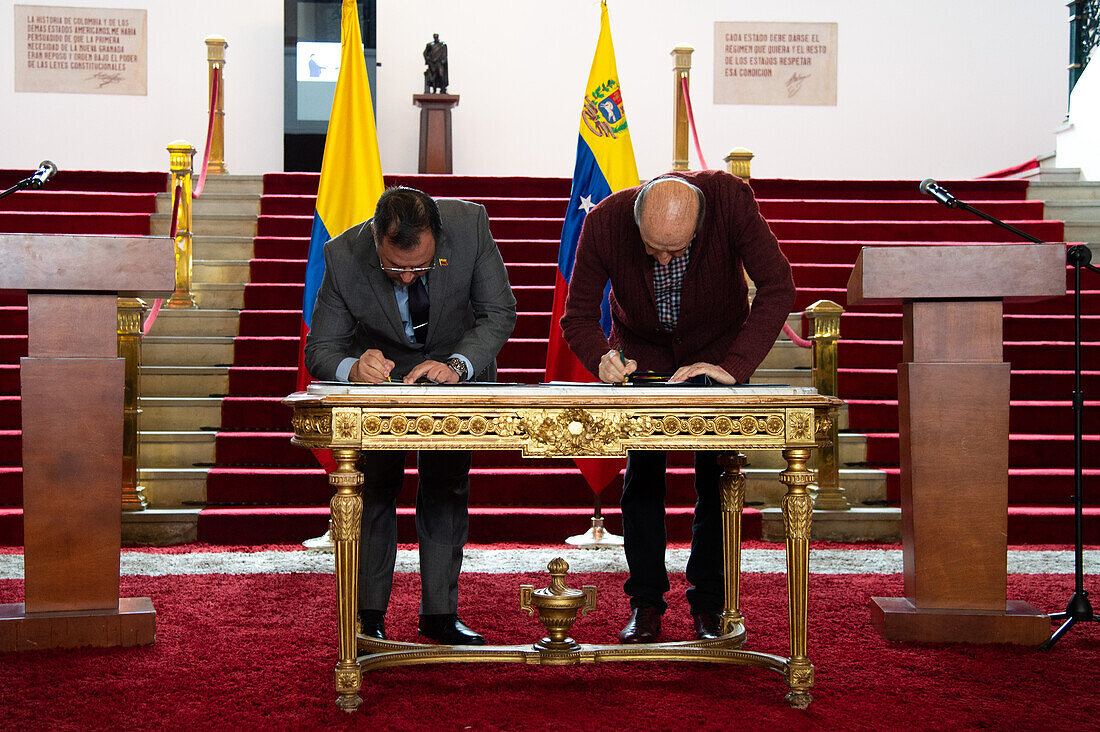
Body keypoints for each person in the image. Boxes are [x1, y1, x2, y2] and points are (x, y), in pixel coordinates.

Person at [561, 170, 795, 643]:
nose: (664, 260)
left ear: (700, 223)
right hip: (642, 362)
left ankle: (709, 605)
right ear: (637, 217)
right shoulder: (605, 221)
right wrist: (602, 358)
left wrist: (735, 364)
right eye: (654, 249)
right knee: (642, 483)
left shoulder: (730, 200)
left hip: (718, 356)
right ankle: (645, 604)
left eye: (676, 251)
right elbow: (578, 316)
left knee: (716, 481)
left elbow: (778, 286)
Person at [305, 186, 516, 645]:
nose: (405, 279)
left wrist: (459, 366)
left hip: (452, 369)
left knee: (445, 486)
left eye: (418, 267)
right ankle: (368, 617)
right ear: (375, 237)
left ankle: (440, 615)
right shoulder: (343, 255)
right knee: (375, 489)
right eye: (393, 268)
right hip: (382, 385)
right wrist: (353, 369)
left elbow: (499, 312)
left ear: (437, 239)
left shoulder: (470, 227)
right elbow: (320, 350)